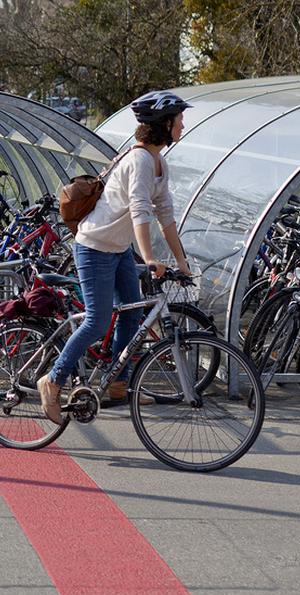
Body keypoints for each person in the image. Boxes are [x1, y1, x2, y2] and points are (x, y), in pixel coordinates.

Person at [38, 90, 194, 422]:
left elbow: (165, 216)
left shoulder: (158, 162)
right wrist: (150, 259)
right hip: (94, 247)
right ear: (164, 123)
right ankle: (53, 380)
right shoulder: (138, 160)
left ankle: (119, 383)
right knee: (97, 321)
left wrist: (183, 264)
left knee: (133, 316)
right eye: (180, 119)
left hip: (119, 249)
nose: (183, 124)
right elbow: (141, 211)